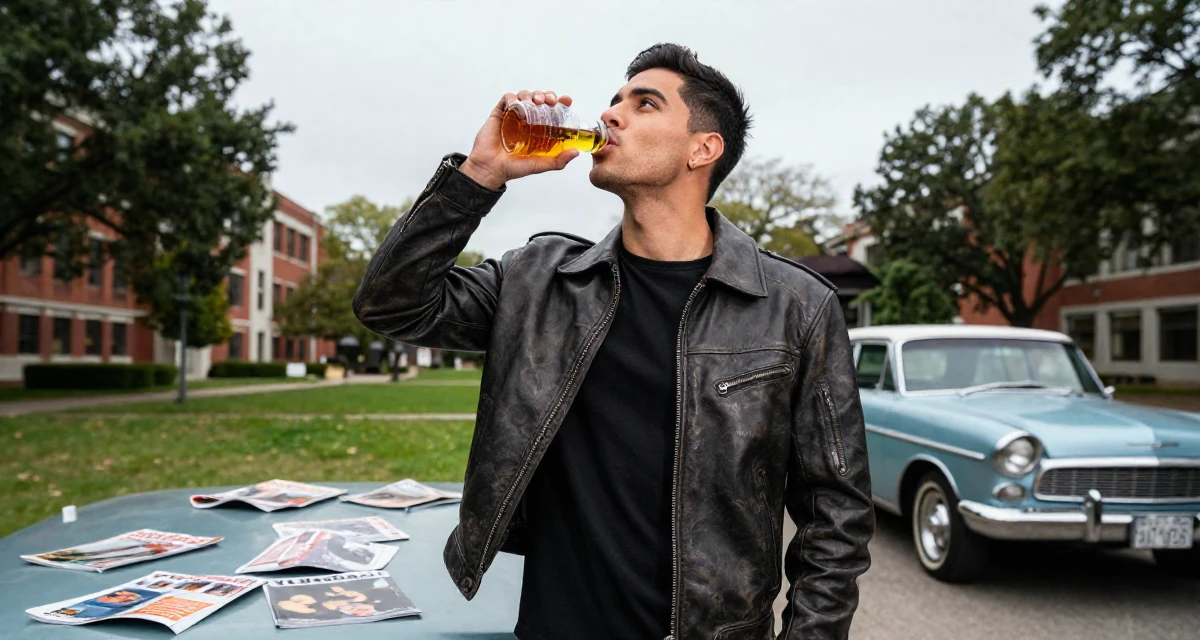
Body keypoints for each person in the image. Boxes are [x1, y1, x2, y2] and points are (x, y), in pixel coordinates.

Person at [354, 43, 873, 640]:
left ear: (702, 149)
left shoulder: (795, 307)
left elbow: (836, 513)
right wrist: (480, 174)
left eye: (644, 103)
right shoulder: (539, 281)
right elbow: (391, 305)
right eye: (615, 100)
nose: (610, 115)